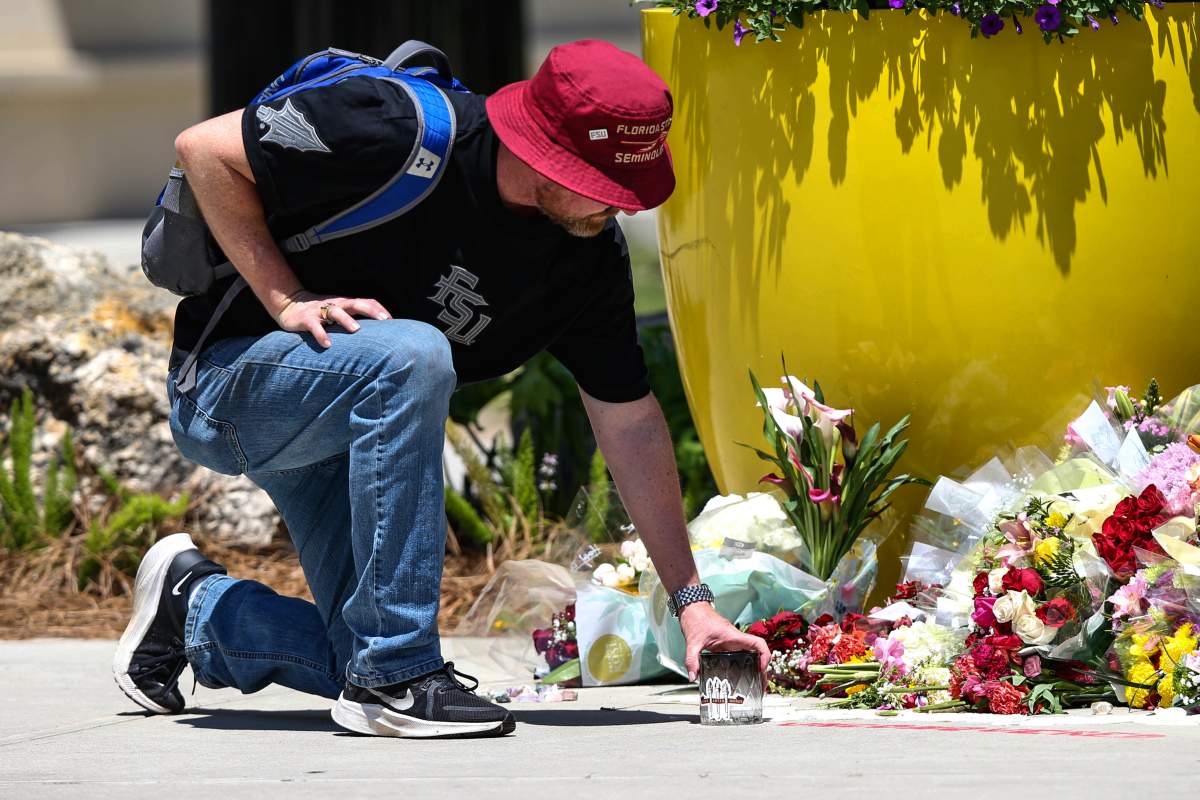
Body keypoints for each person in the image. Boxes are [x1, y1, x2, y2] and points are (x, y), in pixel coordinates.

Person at [112, 39, 769, 739]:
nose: (624, 207)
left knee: (348, 657)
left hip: (358, 426)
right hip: (233, 386)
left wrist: (692, 604)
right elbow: (204, 148)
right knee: (412, 353)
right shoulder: (392, 128)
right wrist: (287, 297)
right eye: (607, 183)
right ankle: (396, 679)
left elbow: (630, 423)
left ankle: (198, 608)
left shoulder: (582, 260)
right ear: (546, 152)